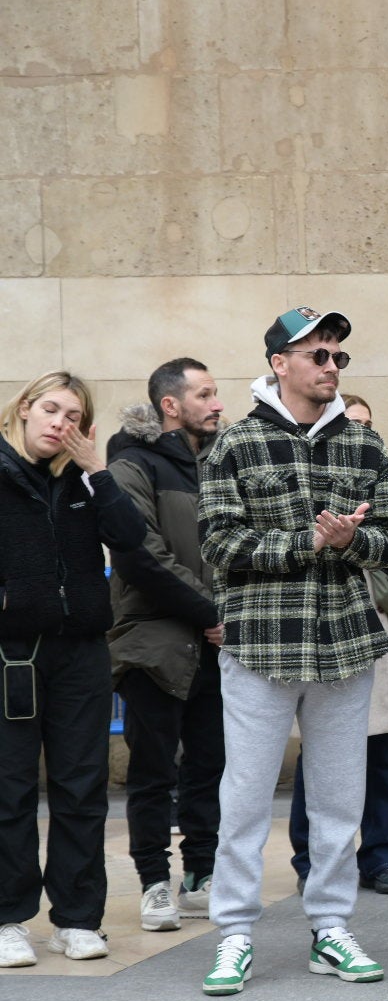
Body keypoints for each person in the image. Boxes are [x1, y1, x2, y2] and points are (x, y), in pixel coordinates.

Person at [197, 307, 388, 995]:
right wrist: (304, 544)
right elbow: (220, 545)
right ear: (279, 363)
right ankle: (233, 934)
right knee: (245, 797)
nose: (331, 366)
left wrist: (352, 541)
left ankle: (331, 927)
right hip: (259, 643)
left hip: (344, 642)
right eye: (317, 354)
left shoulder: (365, 446)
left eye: (338, 355)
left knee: (341, 800)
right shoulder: (235, 445)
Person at [0, 372, 145, 968]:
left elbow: (131, 537)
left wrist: (98, 471)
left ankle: (78, 918)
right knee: (9, 789)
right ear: (24, 409)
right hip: (12, 652)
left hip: (82, 650)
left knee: (82, 786)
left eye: (74, 417)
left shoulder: (86, 482)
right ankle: (9, 918)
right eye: (50, 410)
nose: (59, 423)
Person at [287, 396, 388, 896]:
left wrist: (370, 534)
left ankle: (381, 855)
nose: (361, 434)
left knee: (382, 753)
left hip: (383, 632)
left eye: (368, 426)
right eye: (351, 425)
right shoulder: (300, 475)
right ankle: (311, 858)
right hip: (322, 628)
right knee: (321, 754)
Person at [106, 359, 228, 933]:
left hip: (216, 642)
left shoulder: (221, 459)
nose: (217, 404)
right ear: (170, 405)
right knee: (153, 770)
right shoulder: (131, 459)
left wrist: (223, 615)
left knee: (209, 764)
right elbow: (139, 554)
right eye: (204, 394)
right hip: (152, 642)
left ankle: (201, 874)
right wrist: (211, 611)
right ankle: (154, 881)